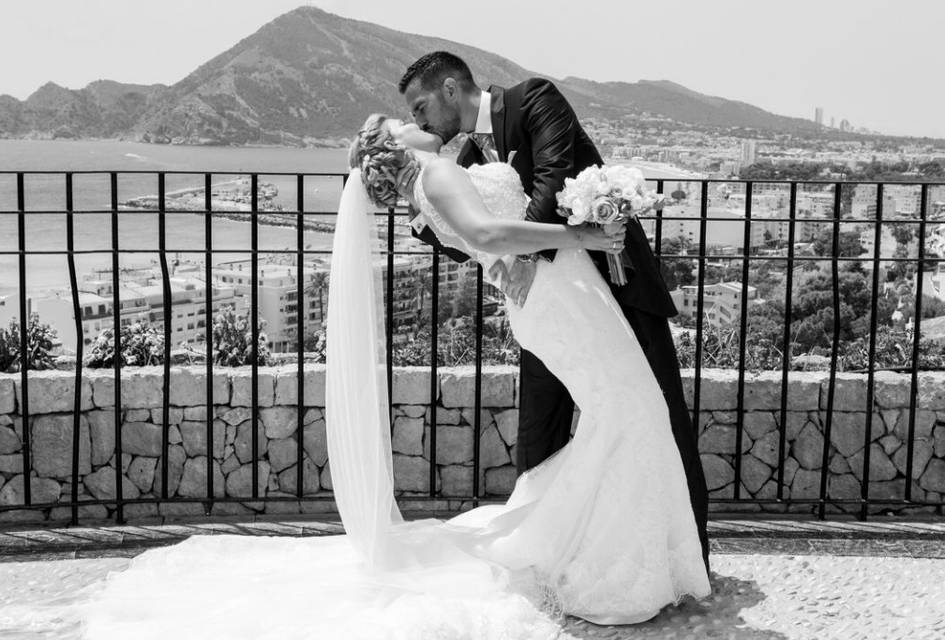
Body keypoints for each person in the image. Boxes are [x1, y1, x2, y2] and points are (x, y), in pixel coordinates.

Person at [70, 116, 709, 639]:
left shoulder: (425, 194)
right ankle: (611, 567)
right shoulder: (434, 174)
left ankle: (605, 551)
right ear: (396, 149)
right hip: (558, 300)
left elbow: (483, 244)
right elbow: (487, 232)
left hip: (549, 300)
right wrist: (590, 234)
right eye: (400, 123)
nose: (415, 121)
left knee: (626, 413)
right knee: (633, 410)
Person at [399, 52, 710, 570]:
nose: (420, 122)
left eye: (421, 106)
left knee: (659, 419)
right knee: (539, 435)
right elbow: (476, 238)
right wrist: (423, 216)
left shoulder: (534, 98)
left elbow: (553, 178)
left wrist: (525, 258)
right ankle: (549, 559)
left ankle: (686, 559)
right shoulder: (469, 161)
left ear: (451, 89)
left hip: (617, 285)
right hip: (552, 310)